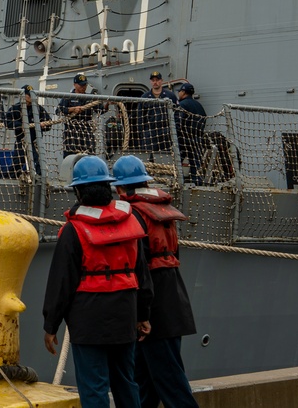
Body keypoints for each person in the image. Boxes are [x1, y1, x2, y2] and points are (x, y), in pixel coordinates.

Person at [42, 155, 153, 408]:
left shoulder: (74, 230)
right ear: (108, 187)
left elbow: (61, 282)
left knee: (94, 389)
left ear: (79, 192)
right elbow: (141, 274)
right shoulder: (131, 221)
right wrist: (143, 315)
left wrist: (51, 324)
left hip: (89, 320)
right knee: (127, 383)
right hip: (125, 315)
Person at [113, 156, 199, 408]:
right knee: (144, 381)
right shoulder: (162, 211)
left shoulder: (133, 215)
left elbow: (138, 267)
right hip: (173, 300)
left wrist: (142, 314)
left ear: (120, 188)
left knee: (169, 380)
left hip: (152, 309)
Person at [5, 84, 52, 175]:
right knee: (17, 164)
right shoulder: (16, 108)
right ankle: (8, 178)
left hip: (35, 141)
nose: (31, 97)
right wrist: (21, 125)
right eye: (29, 95)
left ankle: (39, 180)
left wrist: (44, 125)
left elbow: (48, 123)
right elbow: (7, 121)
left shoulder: (38, 109)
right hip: (22, 140)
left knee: (37, 162)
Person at [57, 73, 101, 157]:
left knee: (89, 156)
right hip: (72, 134)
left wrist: (108, 104)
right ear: (75, 85)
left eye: (85, 85)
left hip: (86, 132)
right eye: (81, 85)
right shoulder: (68, 97)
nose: (83, 87)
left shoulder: (90, 98)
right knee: (71, 157)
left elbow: (100, 110)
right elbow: (59, 110)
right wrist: (72, 109)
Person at [175, 83, 207, 186]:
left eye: (179, 91)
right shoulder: (199, 105)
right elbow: (204, 119)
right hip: (197, 139)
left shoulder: (182, 105)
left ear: (183, 92)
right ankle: (197, 184)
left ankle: (177, 182)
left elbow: (178, 122)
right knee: (195, 164)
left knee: (177, 162)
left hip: (183, 139)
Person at [140, 71, 177, 156]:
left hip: (166, 132)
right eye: (153, 80)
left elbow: (177, 113)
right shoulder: (144, 97)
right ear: (150, 82)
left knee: (166, 156)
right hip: (149, 132)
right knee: (148, 157)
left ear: (161, 81)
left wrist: (175, 129)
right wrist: (142, 132)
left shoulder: (170, 96)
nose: (155, 82)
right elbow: (140, 116)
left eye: (157, 80)